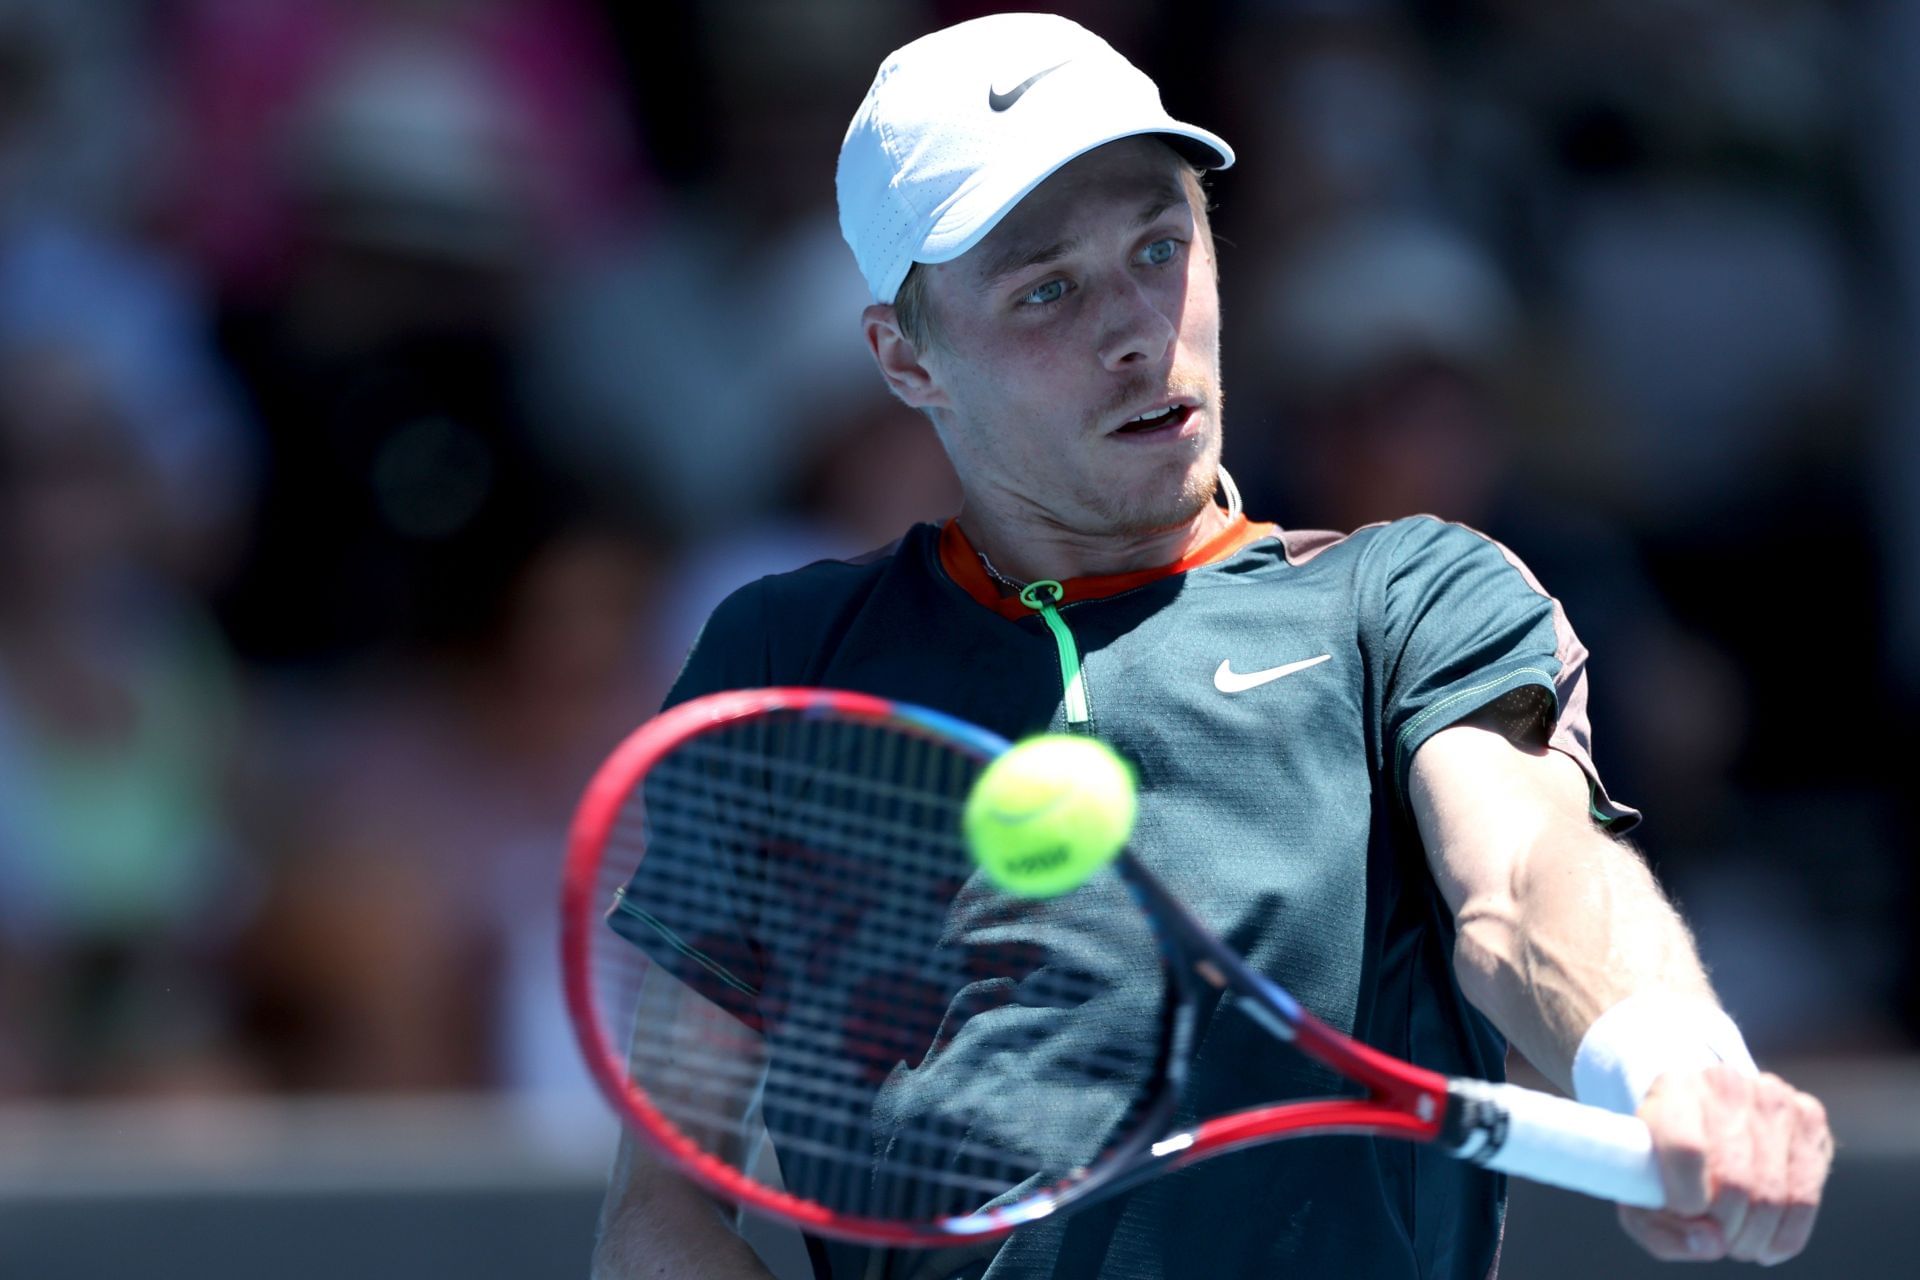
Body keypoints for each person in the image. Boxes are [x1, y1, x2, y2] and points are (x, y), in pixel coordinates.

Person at [591, 14, 1832, 1279]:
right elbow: (668, 1200)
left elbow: (1524, 881)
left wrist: (1671, 1057)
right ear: (908, 358)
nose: (1138, 327)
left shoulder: (1407, 598)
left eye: (1160, 245)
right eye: (1047, 290)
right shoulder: (785, 657)